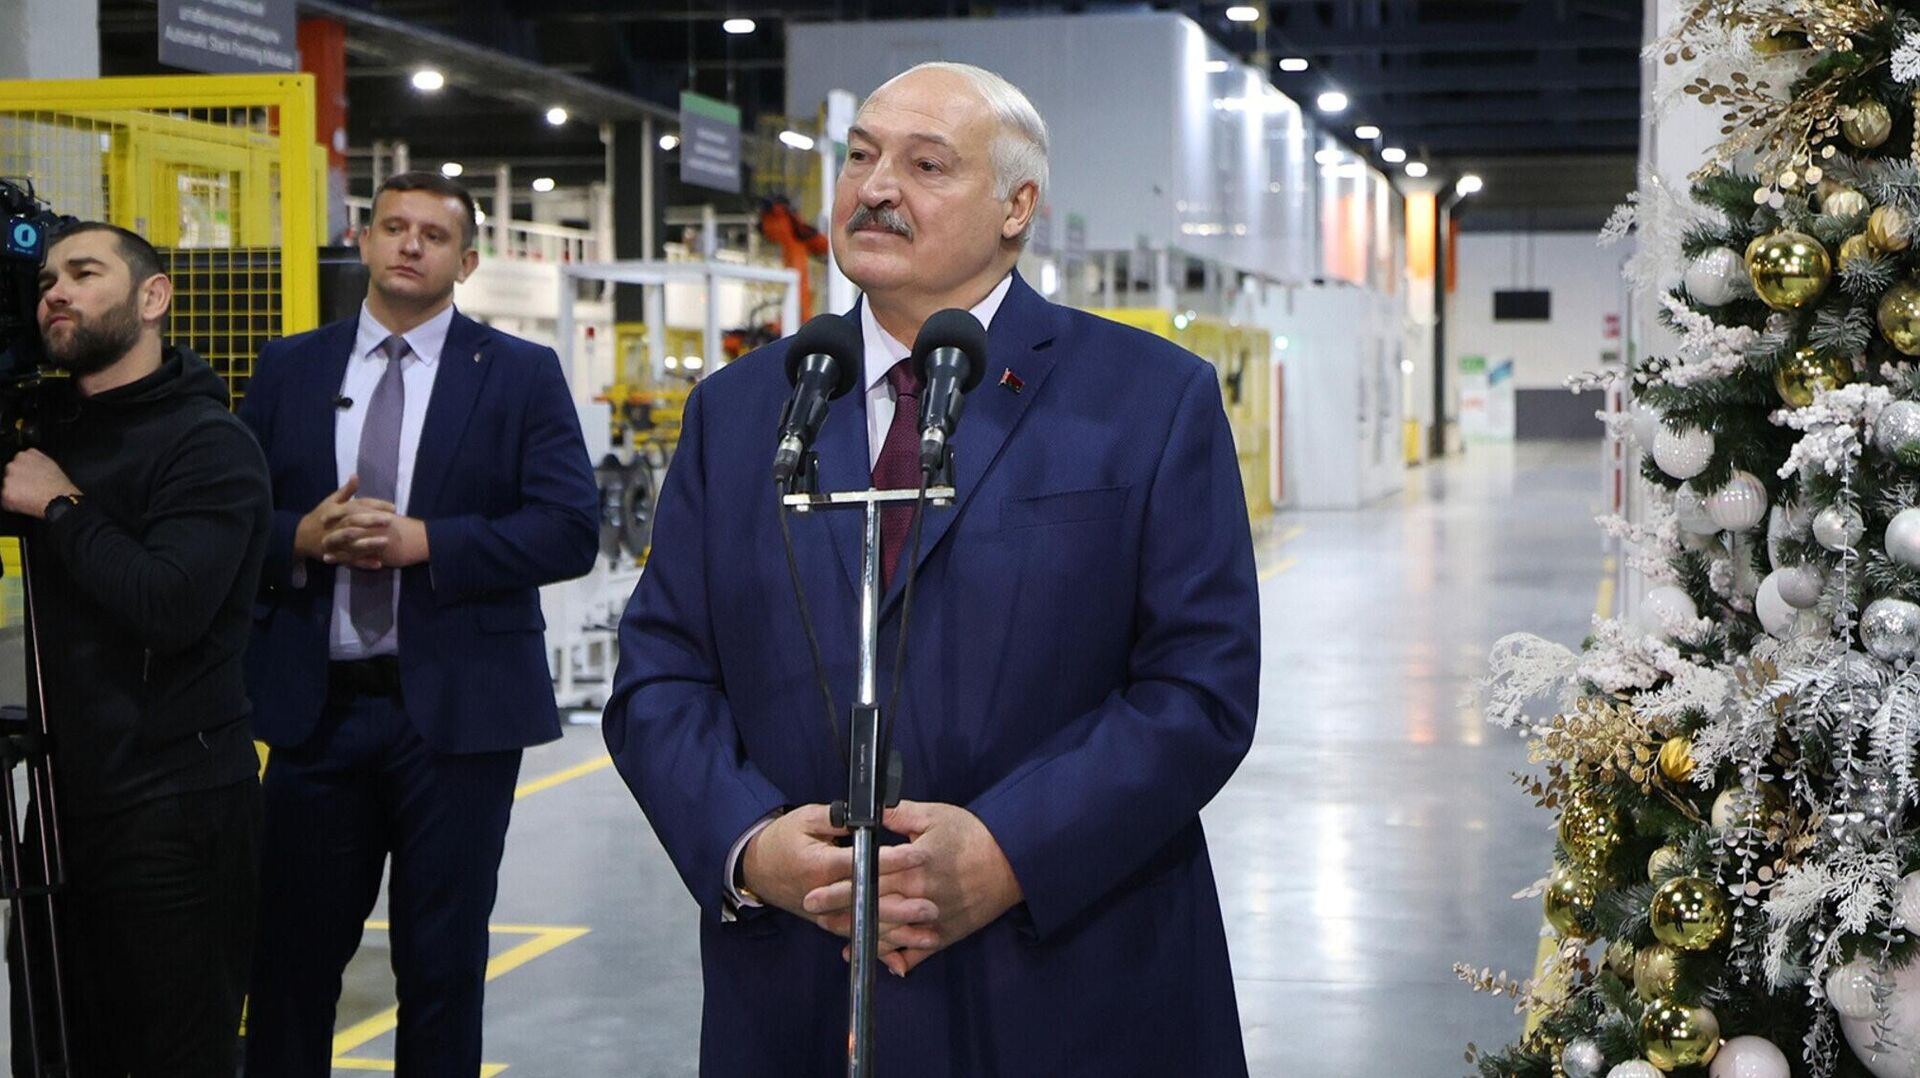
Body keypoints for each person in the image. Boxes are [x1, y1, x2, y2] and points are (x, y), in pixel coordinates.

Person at [604, 62, 1260, 1076]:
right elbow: (660, 670)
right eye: (861, 156)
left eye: (926, 165)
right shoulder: (740, 410)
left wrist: (1008, 852)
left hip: (1068, 976)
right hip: (802, 980)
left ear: (1016, 206)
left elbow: (1199, 686)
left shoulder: (1148, 399)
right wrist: (749, 844)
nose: (876, 187)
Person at [238, 170, 598, 1077]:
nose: (409, 245)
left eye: (433, 236)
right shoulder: (290, 367)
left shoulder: (518, 373)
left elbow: (569, 529)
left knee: (441, 968)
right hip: (316, 713)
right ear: (362, 242)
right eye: (393, 227)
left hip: (459, 720)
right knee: (288, 964)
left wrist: (428, 542)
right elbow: (232, 520)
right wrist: (300, 537)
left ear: (467, 262)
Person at [2, 221, 270, 1075]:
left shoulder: (208, 443)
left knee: (175, 1058)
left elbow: (169, 604)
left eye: (84, 273)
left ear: (153, 298)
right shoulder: (49, 432)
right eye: (46, 281)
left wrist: (61, 507)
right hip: (61, 805)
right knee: (52, 1051)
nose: (57, 292)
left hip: (173, 808)